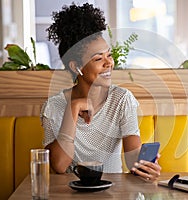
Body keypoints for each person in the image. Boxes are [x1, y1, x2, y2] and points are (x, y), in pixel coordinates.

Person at [40, 3, 161, 182]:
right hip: (70, 194)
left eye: (109, 55)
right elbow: (59, 165)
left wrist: (145, 166)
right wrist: (73, 108)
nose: (108, 63)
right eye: (98, 58)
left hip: (112, 191)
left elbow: (131, 157)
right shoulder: (53, 106)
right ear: (76, 67)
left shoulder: (121, 99)